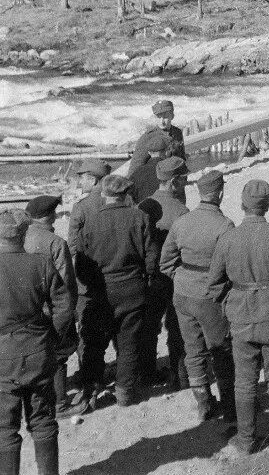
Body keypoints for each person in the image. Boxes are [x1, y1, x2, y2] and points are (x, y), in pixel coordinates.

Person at [207, 179, 269, 454]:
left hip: (240, 316)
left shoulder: (228, 238)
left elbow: (214, 285)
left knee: (245, 379)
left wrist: (231, 303)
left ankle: (247, 440)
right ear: (267, 205)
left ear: (241, 205)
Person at [76, 172, 157, 408]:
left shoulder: (90, 222)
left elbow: (81, 266)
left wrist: (92, 287)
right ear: (126, 195)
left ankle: (92, 389)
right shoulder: (140, 217)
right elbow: (151, 255)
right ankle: (124, 393)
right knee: (129, 342)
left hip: (101, 290)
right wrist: (146, 279)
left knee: (95, 343)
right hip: (132, 288)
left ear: (103, 195)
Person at [159, 169, 235, 423]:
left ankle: (203, 402)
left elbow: (166, 263)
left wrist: (181, 278)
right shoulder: (224, 225)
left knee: (193, 350)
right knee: (221, 350)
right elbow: (231, 267)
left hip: (182, 294)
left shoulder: (182, 221)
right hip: (210, 296)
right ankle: (228, 402)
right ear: (221, 193)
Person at [0, 210, 72, 475]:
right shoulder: (40, 263)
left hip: (2, 359)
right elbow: (64, 307)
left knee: (4, 430)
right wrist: (51, 338)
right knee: (43, 421)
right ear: (23, 234)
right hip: (38, 353)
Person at [22, 196, 79, 418]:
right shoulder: (54, 242)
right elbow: (65, 282)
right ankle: (60, 405)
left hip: (25, 307)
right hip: (49, 308)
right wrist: (69, 311)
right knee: (58, 353)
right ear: (51, 216)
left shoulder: (18, 237)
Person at [138, 155, 188, 390]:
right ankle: (179, 376)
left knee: (148, 327)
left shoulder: (143, 206)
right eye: (184, 179)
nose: (186, 183)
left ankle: (147, 374)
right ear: (174, 182)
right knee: (176, 326)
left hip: (147, 277)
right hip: (173, 277)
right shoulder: (181, 211)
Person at [126, 100, 186, 203]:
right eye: (159, 117)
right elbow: (134, 170)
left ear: (172, 116)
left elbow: (181, 159)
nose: (162, 121)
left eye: (165, 117)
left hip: (176, 186)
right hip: (155, 189)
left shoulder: (177, 133)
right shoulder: (147, 137)